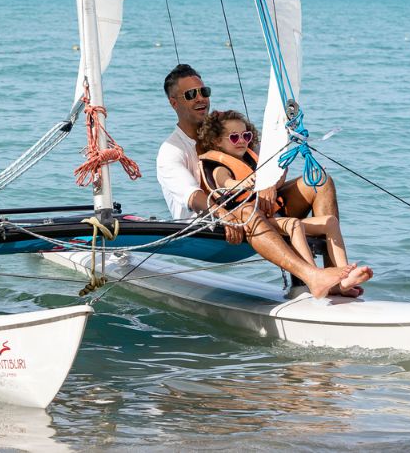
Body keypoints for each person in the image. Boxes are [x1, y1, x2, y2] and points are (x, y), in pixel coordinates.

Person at [155, 63, 370, 298]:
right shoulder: (171, 150)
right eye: (190, 94)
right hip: (210, 229)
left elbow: (270, 165)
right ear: (174, 103)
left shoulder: (227, 131)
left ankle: (336, 279)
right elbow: (194, 197)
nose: (200, 99)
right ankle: (311, 276)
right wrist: (224, 214)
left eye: (203, 92)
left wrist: (269, 183)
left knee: (320, 182)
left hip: (255, 209)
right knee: (247, 211)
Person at [195, 109, 368, 297]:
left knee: (330, 219)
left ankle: (341, 280)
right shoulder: (218, 166)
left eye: (246, 135)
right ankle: (314, 277)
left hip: (274, 216)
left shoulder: (252, 156)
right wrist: (244, 184)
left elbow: (277, 179)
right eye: (234, 138)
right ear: (216, 141)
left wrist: (276, 177)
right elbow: (226, 183)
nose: (243, 141)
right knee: (293, 224)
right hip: (252, 220)